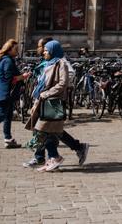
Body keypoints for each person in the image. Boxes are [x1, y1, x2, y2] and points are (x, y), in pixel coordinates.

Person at [24, 40, 88, 168]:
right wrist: (36, 101)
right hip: (43, 101)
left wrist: (46, 94)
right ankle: (48, 156)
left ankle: (53, 157)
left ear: (53, 50)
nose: (44, 52)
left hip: (53, 102)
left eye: (46, 50)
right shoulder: (47, 63)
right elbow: (42, 84)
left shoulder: (61, 63)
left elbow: (63, 83)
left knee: (44, 130)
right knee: (48, 131)